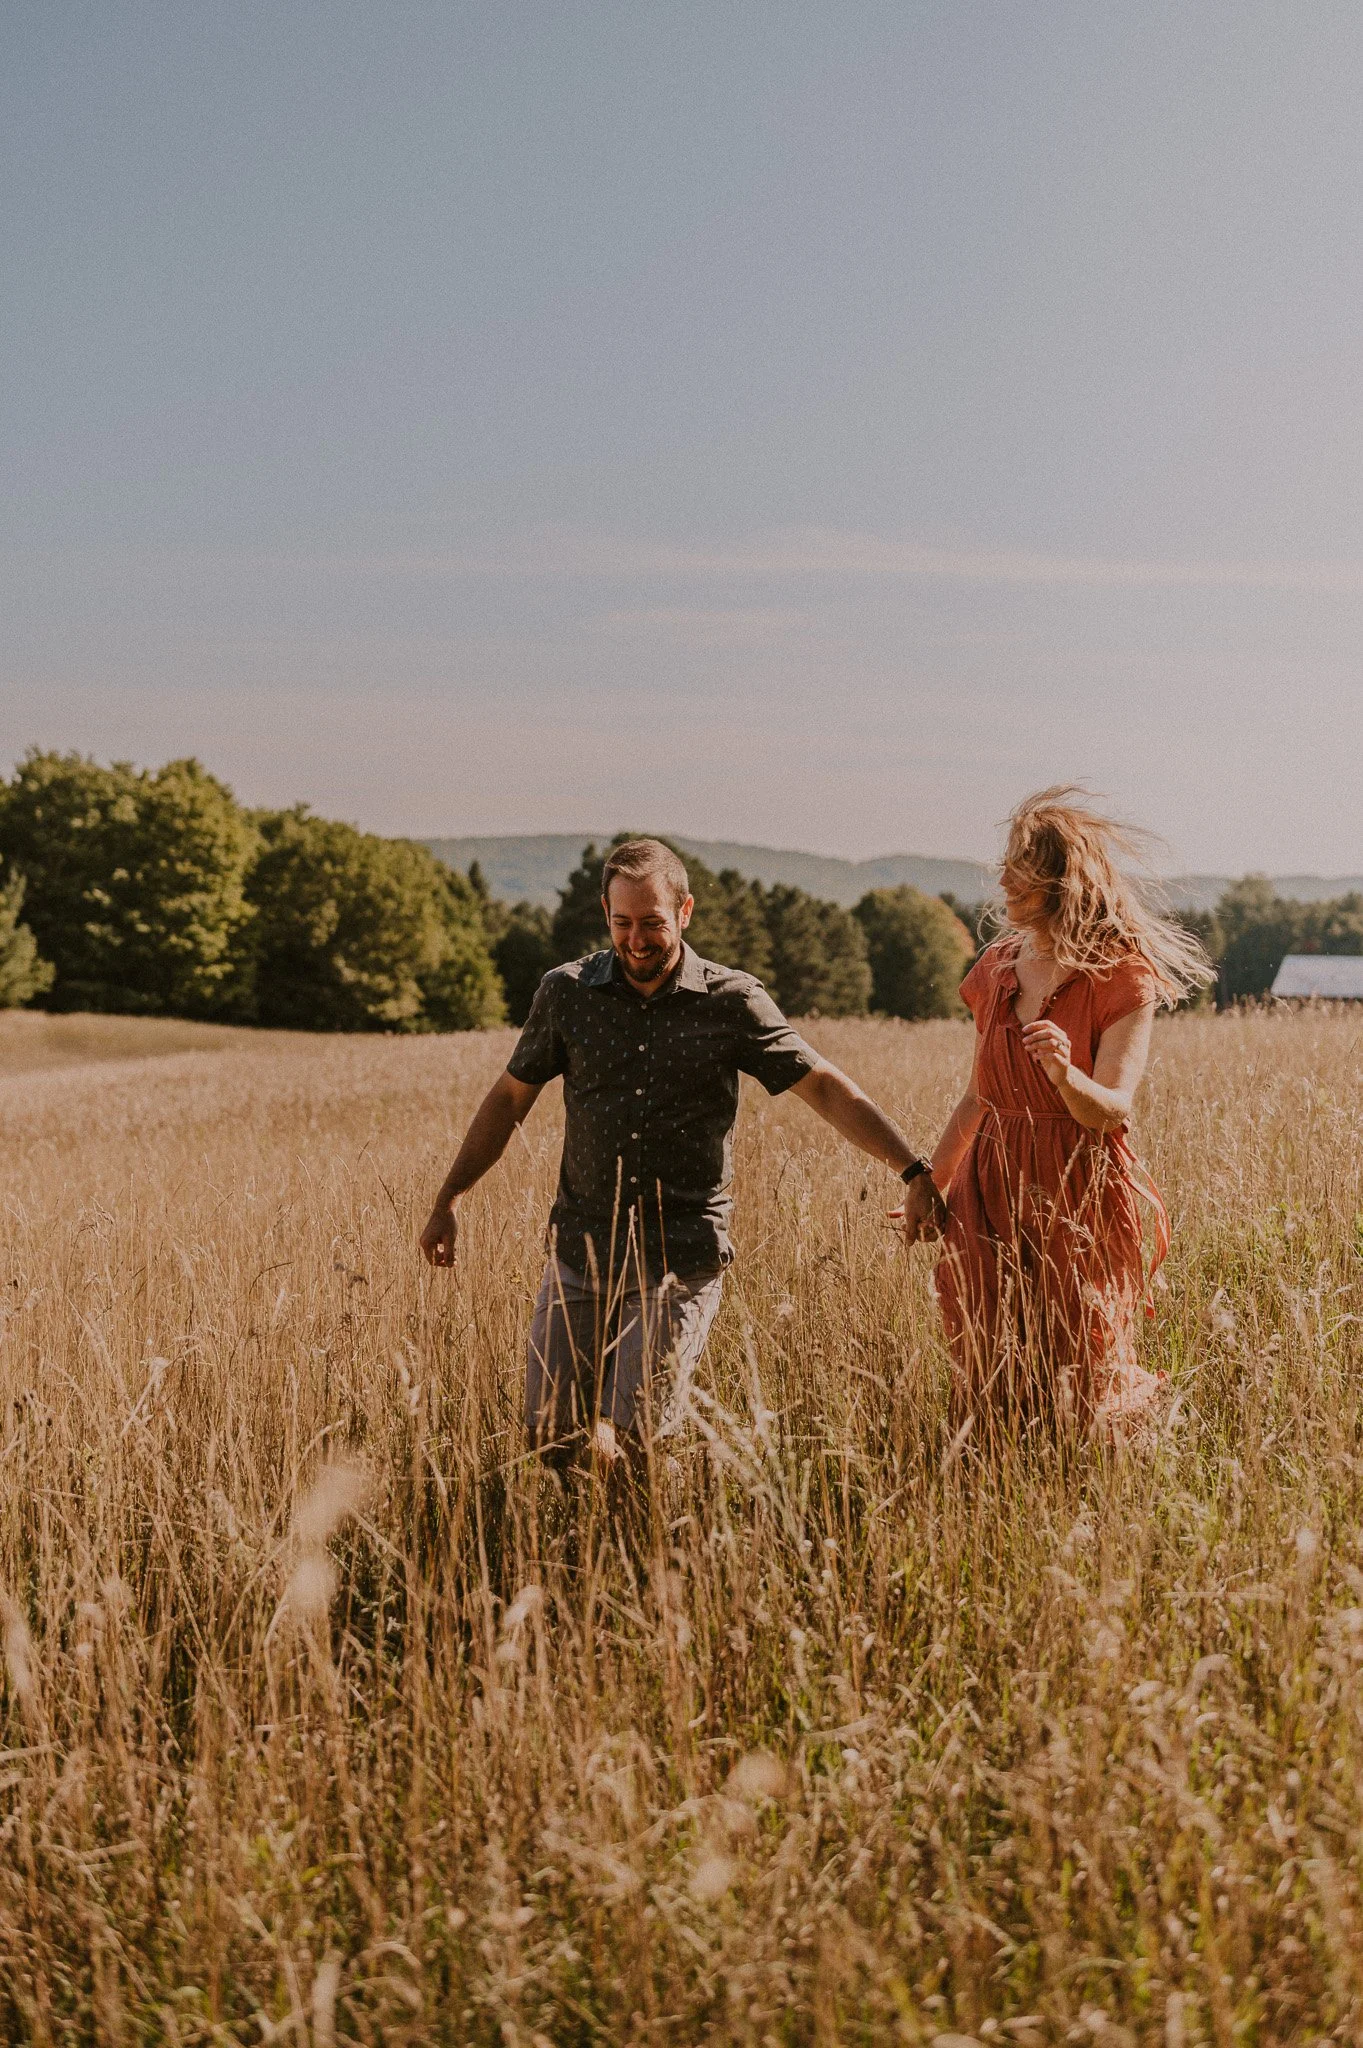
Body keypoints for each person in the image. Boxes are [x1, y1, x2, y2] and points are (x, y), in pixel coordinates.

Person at [419, 837, 943, 1471]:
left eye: (653, 924)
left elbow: (824, 1087)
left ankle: (648, 1559)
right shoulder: (567, 994)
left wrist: (912, 1169)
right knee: (553, 1437)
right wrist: (450, 1196)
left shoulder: (733, 1002)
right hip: (582, 1251)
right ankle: (583, 1558)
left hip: (681, 1257)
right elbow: (508, 1100)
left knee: (641, 1438)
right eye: (622, 923)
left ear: (685, 912)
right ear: (605, 914)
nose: (637, 940)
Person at [901, 788, 1213, 1441]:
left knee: (1082, 1372)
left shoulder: (1120, 975)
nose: (1002, 878)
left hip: (1078, 1191)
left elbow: (1109, 1110)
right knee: (984, 1357)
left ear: (1057, 879)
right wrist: (930, 1184)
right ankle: (994, 1492)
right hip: (989, 1188)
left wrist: (1063, 1073)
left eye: (1018, 864)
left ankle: (1100, 1496)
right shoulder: (993, 969)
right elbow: (977, 1096)